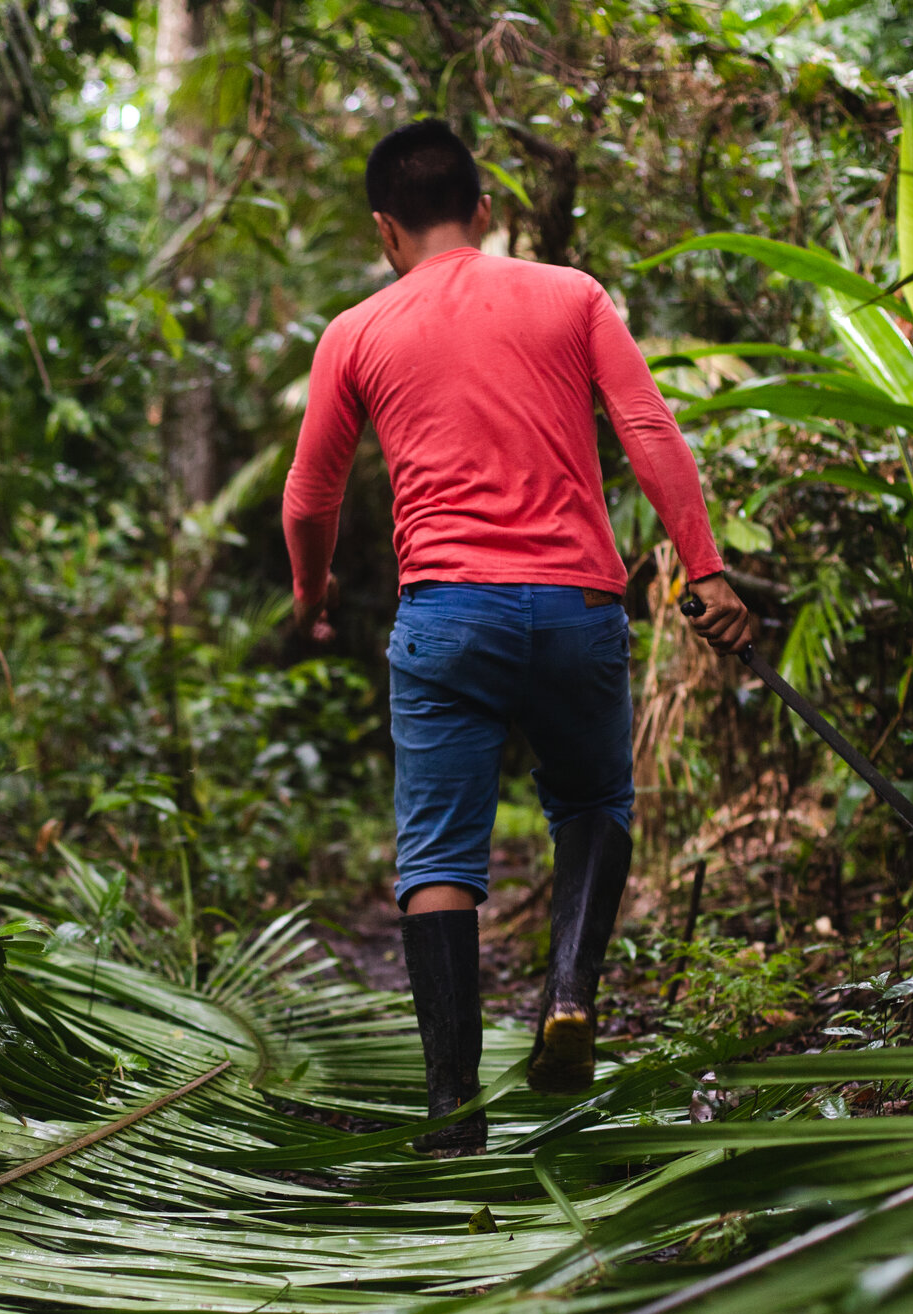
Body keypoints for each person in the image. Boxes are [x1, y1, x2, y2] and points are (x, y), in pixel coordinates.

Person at [282, 118, 753, 1155]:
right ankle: (566, 994)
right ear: (483, 213)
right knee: (591, 800)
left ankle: (453, 1107)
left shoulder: (357, 329)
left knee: (438, 853)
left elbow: (310, 493)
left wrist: (312, 595)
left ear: (383, 230)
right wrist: (704, 568)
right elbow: (648, 430)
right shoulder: (571, 294)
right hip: (579, 609)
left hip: (448, 616)